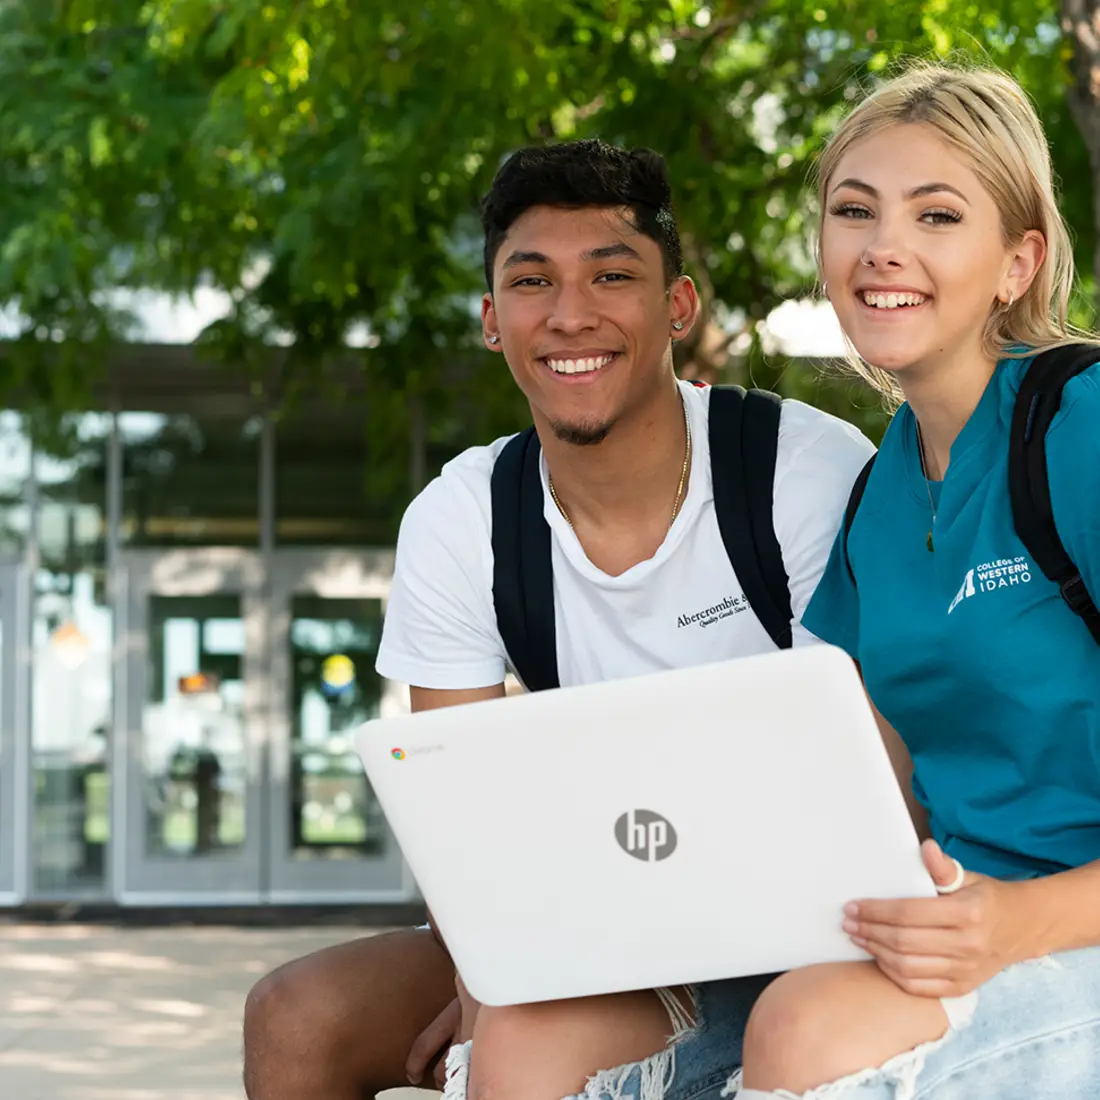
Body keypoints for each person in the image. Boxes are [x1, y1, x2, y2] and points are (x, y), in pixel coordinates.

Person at [241, 138, 875, 1100]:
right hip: (587, 923)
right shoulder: (464, 519)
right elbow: (459, 818)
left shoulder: (798, 470)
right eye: (532, 281)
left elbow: (862, 775)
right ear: (493, 321)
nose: (571, 314)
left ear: (678, 306)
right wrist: (486, 972)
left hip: (803, 930)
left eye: (612, 275)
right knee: (297, 1019)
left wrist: (516, 1012)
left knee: (523, 1053)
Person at [723, 62, 1100, 1100]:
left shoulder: (1082, 426)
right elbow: (872, 792)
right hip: (960, 923)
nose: (881, 246)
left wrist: (1012, 921)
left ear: (1015, 261)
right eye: (853, 211)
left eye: (936, 214)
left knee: (803, 1031)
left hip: (1063, 924)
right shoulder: (873, 493)